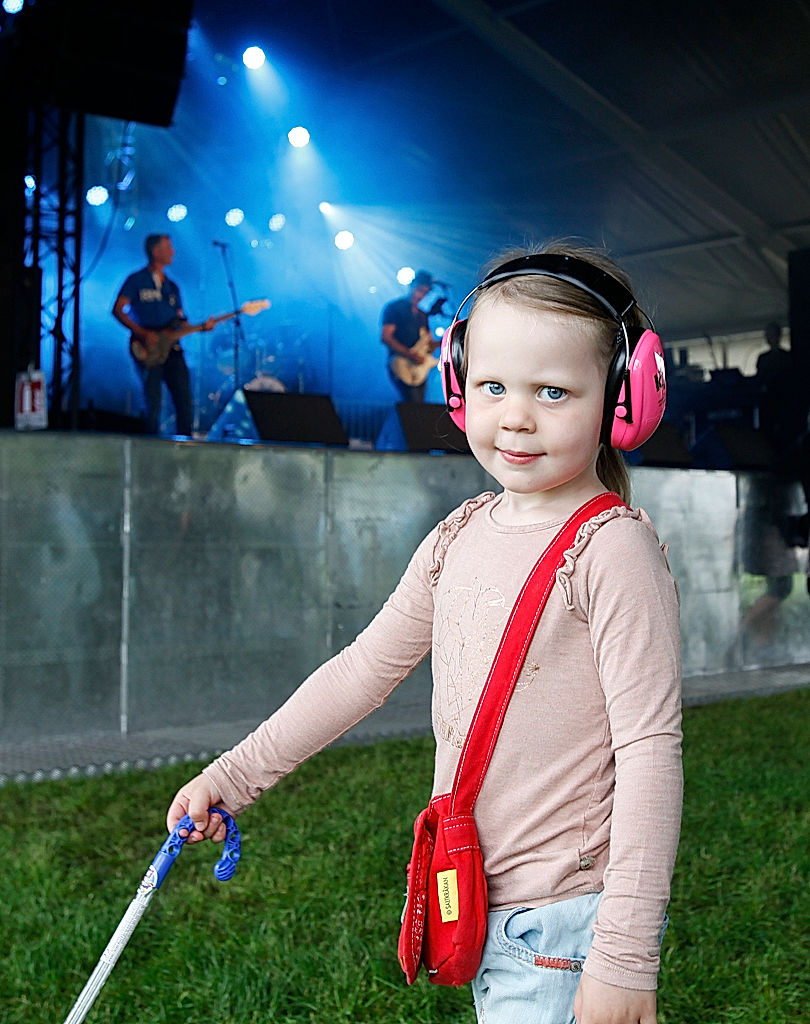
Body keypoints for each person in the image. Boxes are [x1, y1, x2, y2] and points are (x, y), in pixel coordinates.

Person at [166, 242, 683, 1024]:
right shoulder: (458, 536)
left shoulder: (612, 551)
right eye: (492, 385)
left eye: (552, 391)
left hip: (564, 929)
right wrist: (233, 777)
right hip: (478, 903)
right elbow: (362, 670)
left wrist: (624, 955)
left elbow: (650, 751)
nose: (514, 415)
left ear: (624, 403)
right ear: (456, 387)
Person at [112, 234, 214, 436]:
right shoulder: (136, 280)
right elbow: (118, 309)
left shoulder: (172, 287)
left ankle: (185, 446)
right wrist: (141, 333)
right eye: (169, 247)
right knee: (153, 401)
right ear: (155, 251)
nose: (173, 251)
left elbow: (179, 321)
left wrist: (200, 327)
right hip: (148, 348)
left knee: (184, 400)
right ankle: (150, 444)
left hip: (173, 350)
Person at [380, 269, 444, 402]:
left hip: (418, 367)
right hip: (401, 363)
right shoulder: (395, 308)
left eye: (425, 293)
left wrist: (446, 340)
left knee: (419, 404)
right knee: (412, 405)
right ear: (412, 286)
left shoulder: (422, 315)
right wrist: (410, 355)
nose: (421, 296)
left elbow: (429, 344)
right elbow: (386, 337)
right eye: (420, 290)